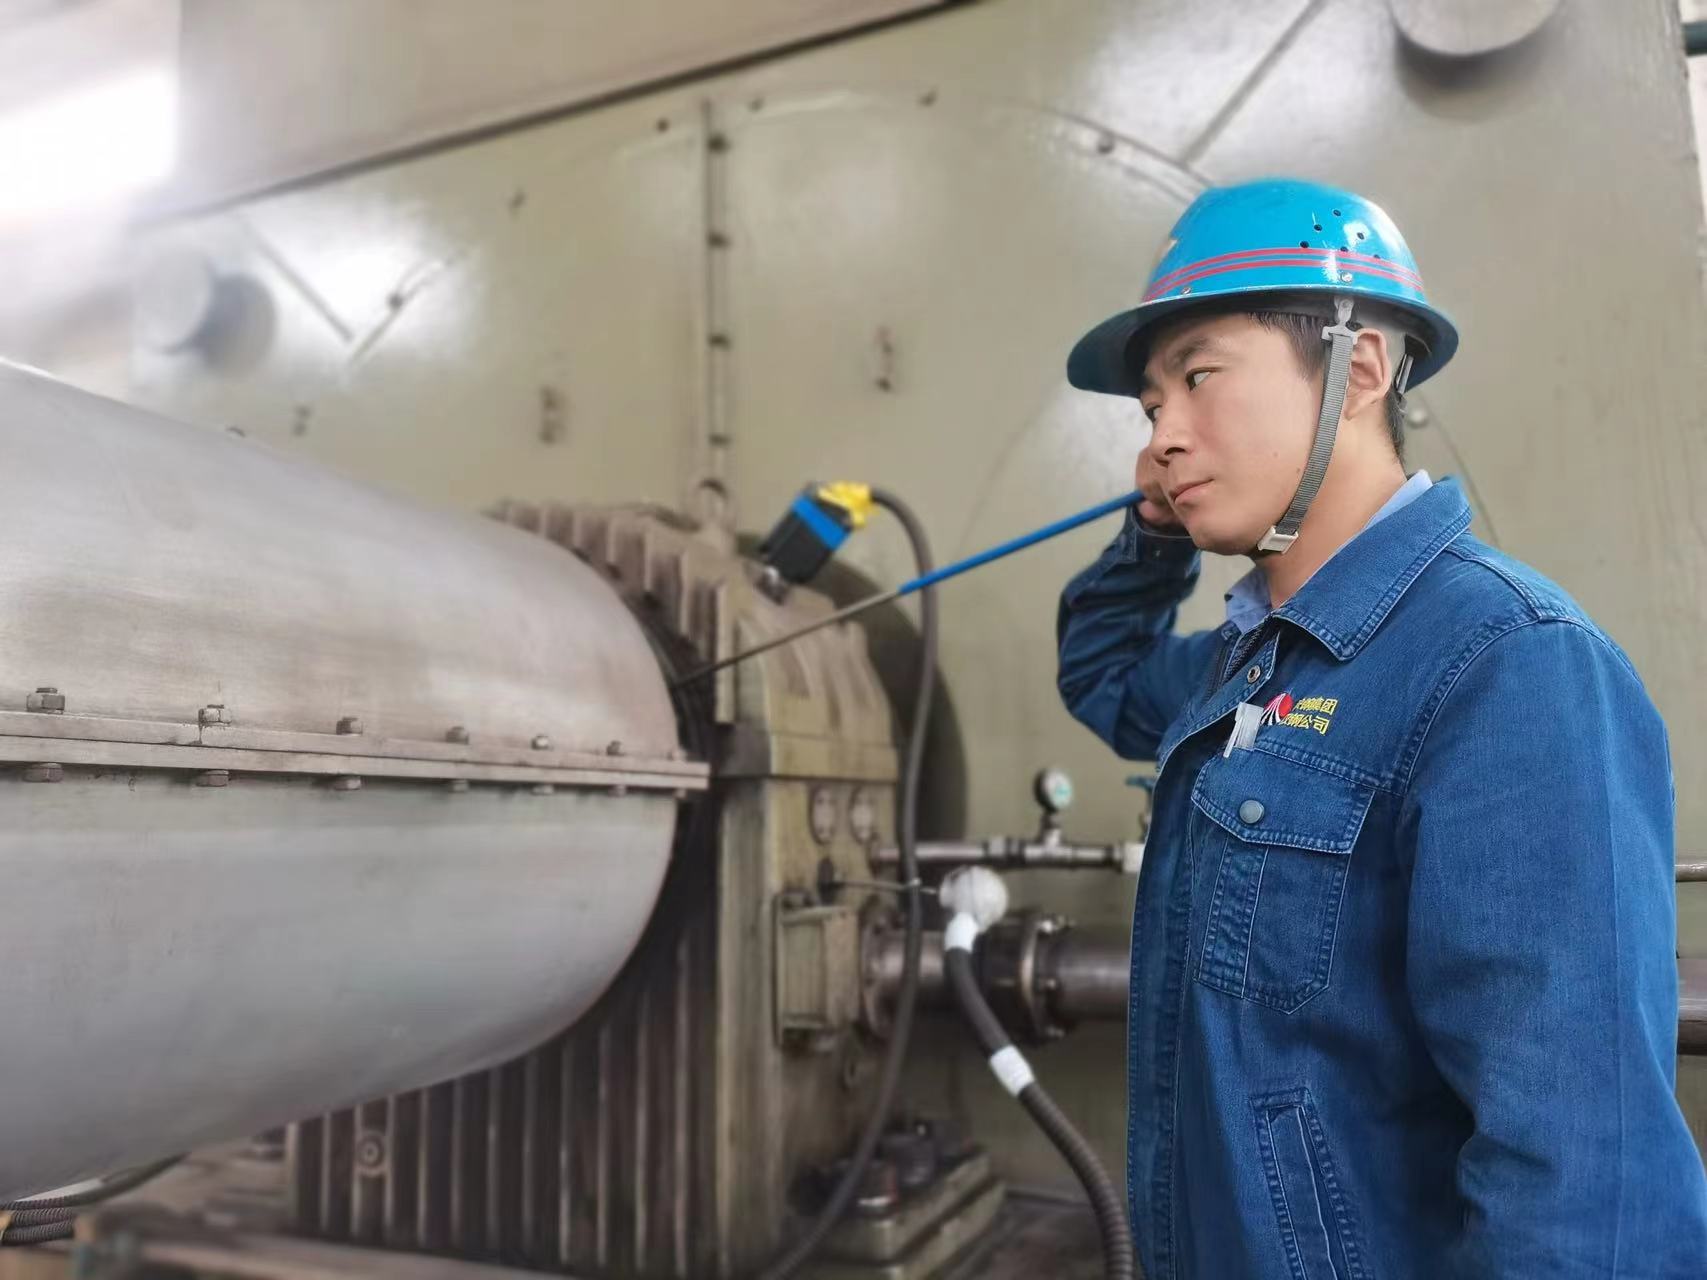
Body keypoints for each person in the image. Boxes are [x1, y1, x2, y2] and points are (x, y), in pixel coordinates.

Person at [1055, 178, 1707, 1277]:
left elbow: (1586, 1187)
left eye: (1198, 376)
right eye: (1150, 404)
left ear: (1356, 372)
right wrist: (1152, 533)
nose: (1163, 432)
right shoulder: (1249, 662)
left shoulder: (1510, 664)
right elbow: (1106, 673)